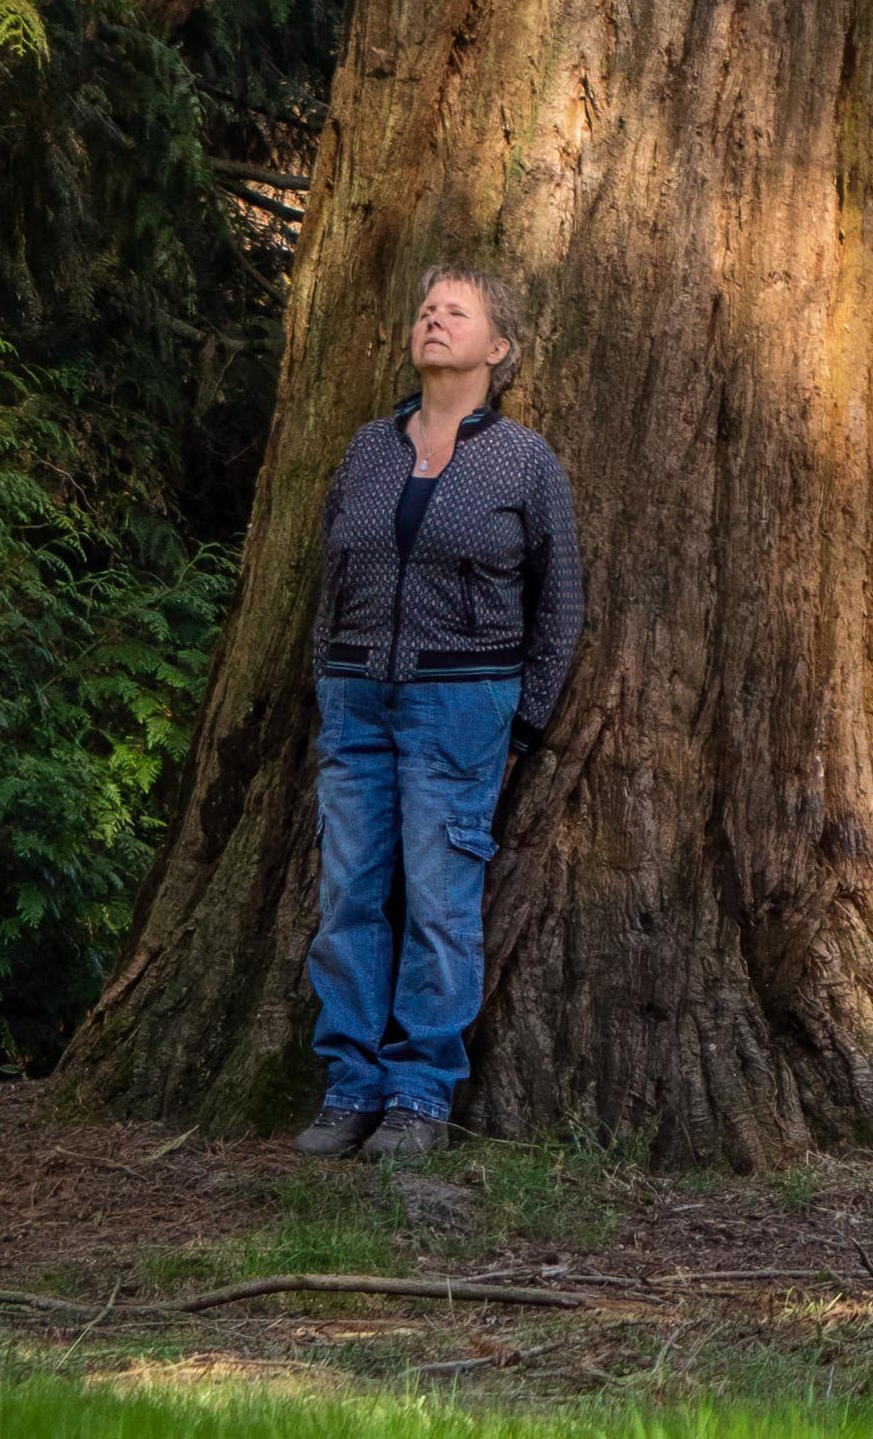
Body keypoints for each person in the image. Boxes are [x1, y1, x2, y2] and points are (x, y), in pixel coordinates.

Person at [294, 259, 582, 1157]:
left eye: (457, 311)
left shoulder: (524, 461)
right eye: (426, 308)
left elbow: (561, 602)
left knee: (438, 901)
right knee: (346, 895)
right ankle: (350, 1085)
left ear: (498, 347)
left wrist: (524, 720)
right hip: (355, 704)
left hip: (461, 708)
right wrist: (328, 677)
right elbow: (330, 580)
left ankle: (420, 1094)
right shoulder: (367, 449)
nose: (434, 320)